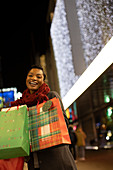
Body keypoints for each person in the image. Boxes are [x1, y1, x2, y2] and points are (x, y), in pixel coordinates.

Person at [11, 64, 77, 170]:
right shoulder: (21, 106)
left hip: (56, 158)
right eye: (30, 75)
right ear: (26, 78)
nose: (34, 79)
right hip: (35, 162)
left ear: (43, 80)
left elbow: (64, 122)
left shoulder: (51, 96)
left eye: (38, 76)